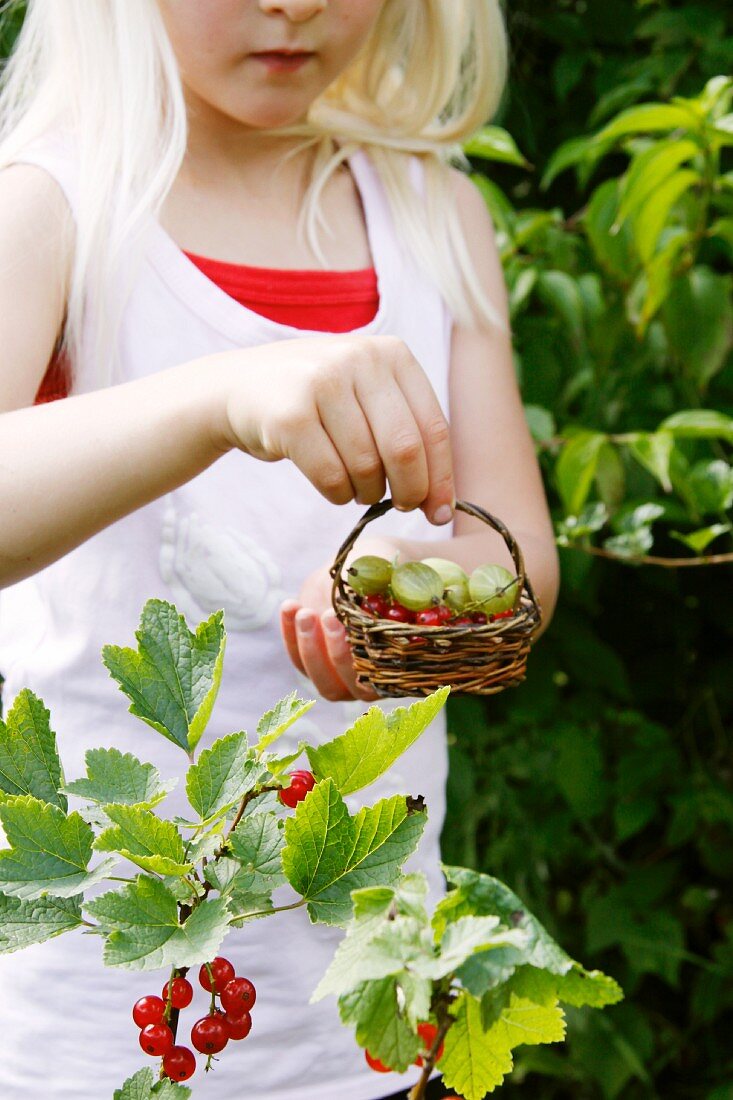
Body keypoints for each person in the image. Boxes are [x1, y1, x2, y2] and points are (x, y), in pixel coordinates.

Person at [0, 1, 559, 1098]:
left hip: (364, 1011)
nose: (291, 3)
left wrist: (407, 594)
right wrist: (219, 393)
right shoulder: (57, 205)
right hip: (91, 1021)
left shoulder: (432, 213)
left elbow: (521, 561)